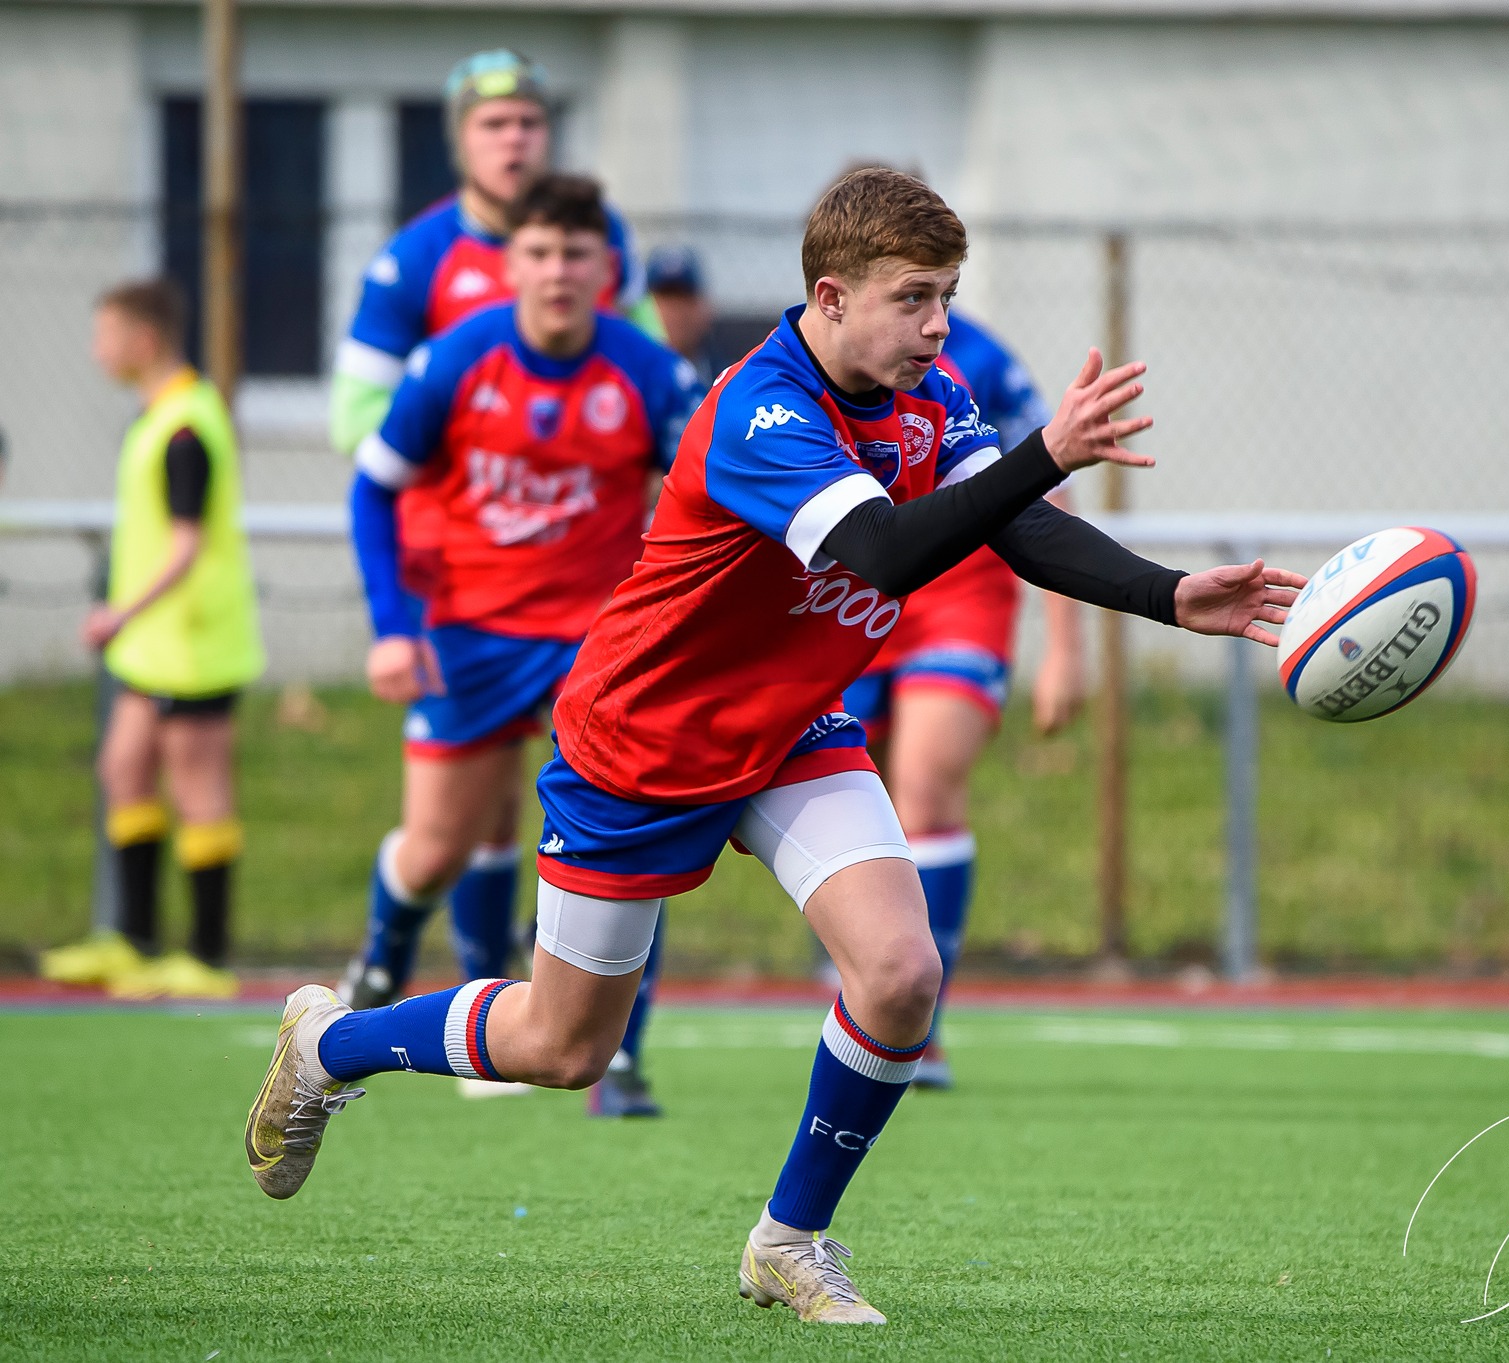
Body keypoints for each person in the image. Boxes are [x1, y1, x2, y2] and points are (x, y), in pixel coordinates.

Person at [244, 167, 1303, 1325]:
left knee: (901, 977)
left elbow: (1009, 523)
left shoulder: (931, 392)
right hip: (642, 742)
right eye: (914, 298)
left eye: (947, 294)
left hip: (792, 728)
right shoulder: (762, 409)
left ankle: (789, 1240)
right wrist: (1044, 448)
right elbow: (885, 552)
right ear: (831, 295)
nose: (938, 324)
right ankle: (332, 1043)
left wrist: (1168, 594)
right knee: (562, 1049)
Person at [337, 174, 702, 1105]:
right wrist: (392, 629)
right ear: (511, 265)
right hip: (470, 634)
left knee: (634, 832)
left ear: (608, 270)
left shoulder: (650, 372)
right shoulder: (458, 359)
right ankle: (381, 965)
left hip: (600, 640)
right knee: (436, 847)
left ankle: (615, 1058)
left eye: (577, 255)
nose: (557, 272)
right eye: (539, 253)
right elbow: (373, 486)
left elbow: (713, 488)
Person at [845, 307, 1086, 1088]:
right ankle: (872, 987)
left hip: (961, 595)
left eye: (939, 288)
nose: (930, 314)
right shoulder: (798, 373)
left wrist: (1066, 650)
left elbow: (1042, 494)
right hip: (852, 592)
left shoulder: (976, 359)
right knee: (857, 798)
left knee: (926, 786)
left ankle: (924, 1025)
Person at [38, 278, 264, 999]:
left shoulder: (187, 426)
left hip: (193, 642)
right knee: (122, 766)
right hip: (154, 646)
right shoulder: (157, 417)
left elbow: (187, 546)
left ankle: (206, 953)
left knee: (199, 787)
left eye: (105, 334)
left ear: (144, 340)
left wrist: (119, 611)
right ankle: (132, 939)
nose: (95, 349)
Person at [646, 245, 714, 372]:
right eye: (666, 298)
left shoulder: (730, 377)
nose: (676, 312)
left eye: (684, 298)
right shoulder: (627, 378)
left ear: (704, 306)